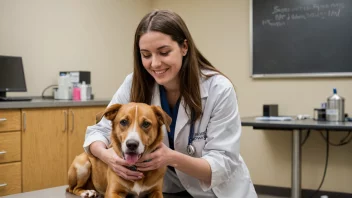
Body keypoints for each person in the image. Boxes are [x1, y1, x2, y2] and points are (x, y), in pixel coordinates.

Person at [83, 9, 257, 198]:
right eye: (146, 55)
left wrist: (171, 158)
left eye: (164, 52)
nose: (155, 63)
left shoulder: (219, 89)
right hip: (168, 190)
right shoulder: (134, 83)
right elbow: (97, 132)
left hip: (217, 192)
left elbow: (223, 163)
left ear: (184, 47)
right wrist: (109, 157)